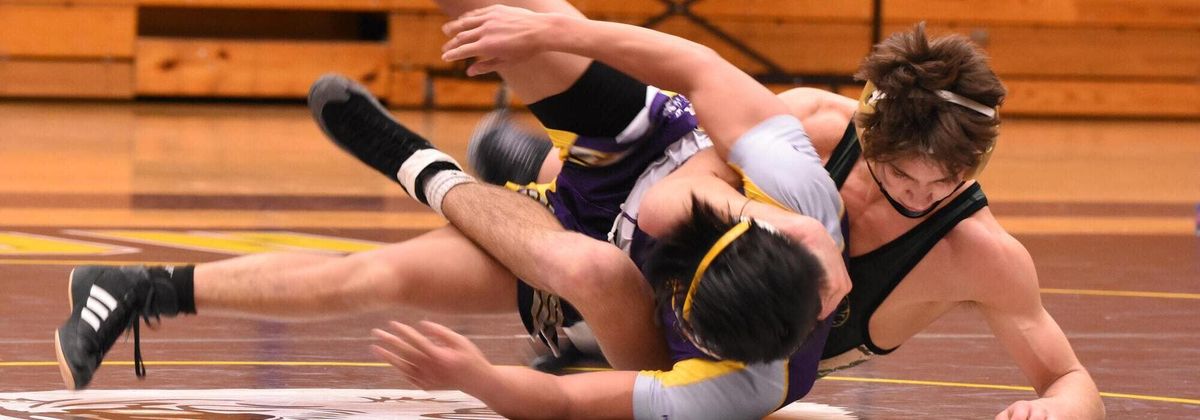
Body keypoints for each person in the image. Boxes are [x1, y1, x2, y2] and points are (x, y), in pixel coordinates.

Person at [53, 6, 849, 420]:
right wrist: (558, 30)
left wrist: (480, 378)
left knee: (382, 276)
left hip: (584, 251)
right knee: (500, 21)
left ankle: (138, 286)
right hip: (645, 150)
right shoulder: (800, 204)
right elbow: (729, 77)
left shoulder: (733, 389)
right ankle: (495, 164)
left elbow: (569, 405)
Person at [448, 7, 1105, 419]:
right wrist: (565, 32)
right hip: (674, 245)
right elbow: (677, 167)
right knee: (629, 185)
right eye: (901, 174)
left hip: (734, 347)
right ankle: (541, 165)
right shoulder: (817, 127)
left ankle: (531, 166)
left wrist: (1056, 412)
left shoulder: (980, 255)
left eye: (948, 183)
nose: (920, 198)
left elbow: (1071, 378)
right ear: (868, 135)